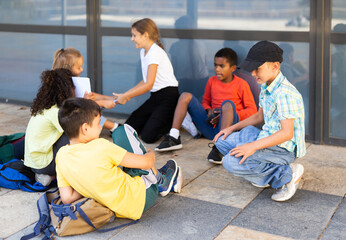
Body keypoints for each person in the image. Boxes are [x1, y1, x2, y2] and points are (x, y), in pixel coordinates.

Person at [56, 98, 182, 220]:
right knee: (122, 131)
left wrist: (87, 185)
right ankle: (161, 180)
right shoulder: (100, 146)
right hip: (143, 197)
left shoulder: (61, 156)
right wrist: (150, 153)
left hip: (115, 210)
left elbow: (67, 198)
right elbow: (146, 162)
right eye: (98, 123)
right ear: (85, 128)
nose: (101, 127)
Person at [213, 41, 306, 202]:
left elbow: (287, 133)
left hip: (282, 150)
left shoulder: (284, 93)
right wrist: (231, 128)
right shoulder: (267, 85)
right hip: (265, 137)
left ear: (275, 66)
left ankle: (287, 173)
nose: (254, 73)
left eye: (258, 68)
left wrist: (252, 146)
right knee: (222, 140)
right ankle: (260, 171)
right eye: (252, 69)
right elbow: (258, 117)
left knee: (230, 162)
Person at [155, 48, 257, 164]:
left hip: (228, 130)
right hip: (210, 127)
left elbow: (252, 110)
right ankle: (174, 137)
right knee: (185, 96)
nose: (217, 69)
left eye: (222, 66)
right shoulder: (212, 81)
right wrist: (208, 110)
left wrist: (227, 115)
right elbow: (205, 101)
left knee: (227, 105)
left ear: (233, 68)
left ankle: (219, 148)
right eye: (215, 65)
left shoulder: (241, 84)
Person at [113, 18, 179, 143]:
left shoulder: (155, 53)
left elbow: (149, 84)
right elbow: (145, 81)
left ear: (145, 35)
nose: (132, 39)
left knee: (148, 137)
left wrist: (127, 96)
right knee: (129, 128)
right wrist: (126, 95)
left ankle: (175, 117)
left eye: (134, 35)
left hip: (168, 96)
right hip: (156, 96)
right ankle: (158, 118)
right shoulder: (144, 51)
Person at [24, 69, 75, 186]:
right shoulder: (56, 112)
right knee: (74, 134)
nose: (75, 90)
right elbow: (78, 131)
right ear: (66, 90)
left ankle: (50, 177)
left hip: (33, 163)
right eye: (73, 87)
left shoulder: (45, 107)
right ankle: (55, 175)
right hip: (43, 165)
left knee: (67, 130)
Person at [52, 48, 118, 132]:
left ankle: (113, 127)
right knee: (88, 112)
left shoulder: (72, 81)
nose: (82, 70)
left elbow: (89, 94)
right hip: (65, 121)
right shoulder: (64, 87)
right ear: (67, 68)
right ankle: (113, 127)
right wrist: (103, 103)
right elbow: (76, 106)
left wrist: (110, 98)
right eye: (79, 68)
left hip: (68, 117)